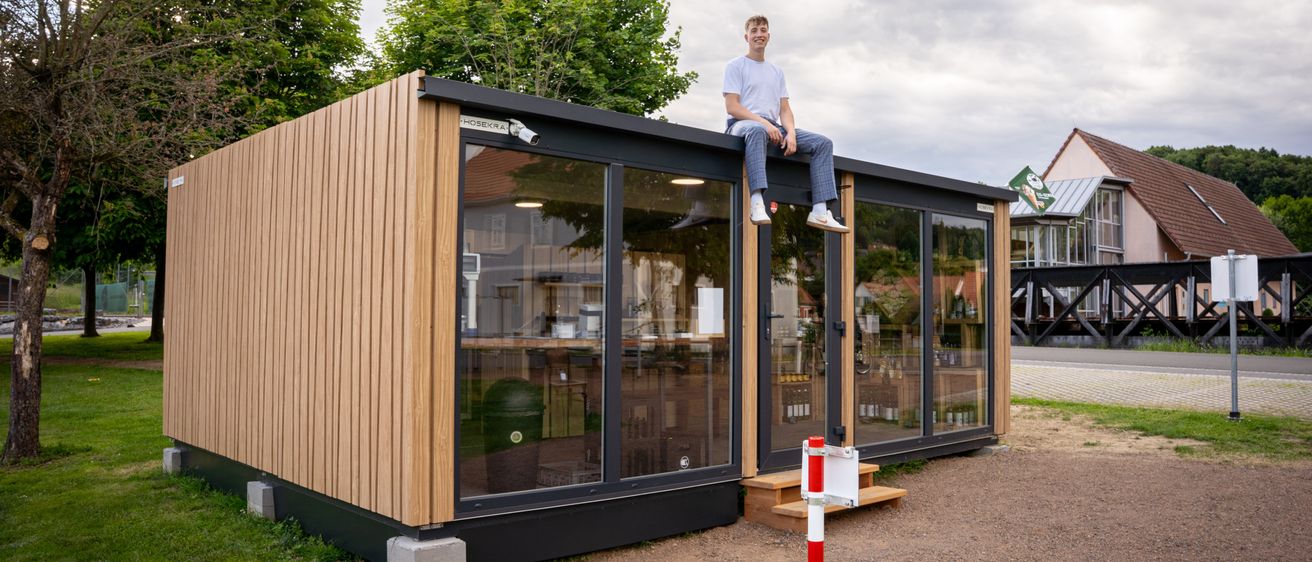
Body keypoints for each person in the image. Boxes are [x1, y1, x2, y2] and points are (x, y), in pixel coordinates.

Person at [724, 14, 848, 233]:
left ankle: (820, 211)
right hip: (743, 124)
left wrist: (790, 133)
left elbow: (784, 109)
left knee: (823, 143)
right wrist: (765, 124)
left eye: (762, 30)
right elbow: (732, 106)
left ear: (768, 36)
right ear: (746, 36)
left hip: (774, 127)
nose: (758, 35)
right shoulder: (735, 66)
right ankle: (757, 202)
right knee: (756, 130)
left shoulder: (776, 72)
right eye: (754, 31)